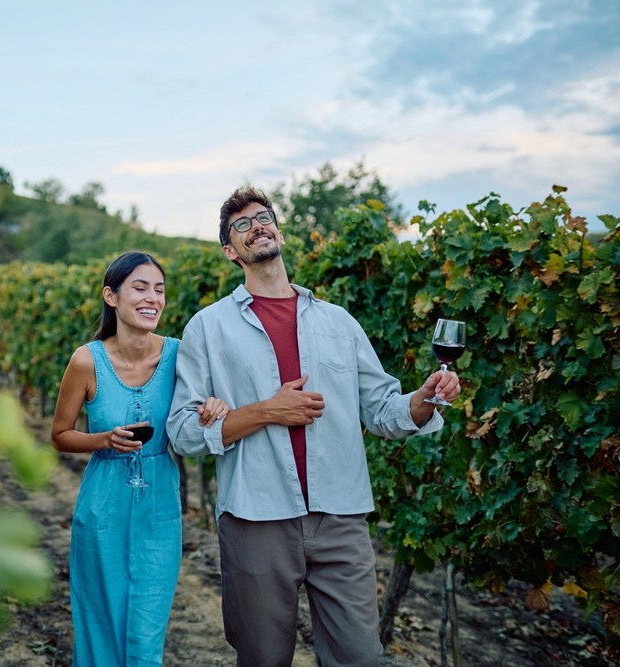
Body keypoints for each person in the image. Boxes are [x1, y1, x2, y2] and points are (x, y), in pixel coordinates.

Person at [165, 187, 462, 667]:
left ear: (278, 230)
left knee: (361, 658)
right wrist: (267, 410)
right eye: (241, 224)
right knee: (263, 659)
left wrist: (424, 398)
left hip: (341, 516)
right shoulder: (207, 328)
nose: (256, 226)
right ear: (229, 250)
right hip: (255, 518)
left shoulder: (338, 323)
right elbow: (181, 430)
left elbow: (383, 408)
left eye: (263, 217)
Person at [51, 251, 228, 666]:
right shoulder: (86, 360)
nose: (153, 297)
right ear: (111, 297)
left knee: (148, 625)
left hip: (159, 505)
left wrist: (214, 406)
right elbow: (59, 435)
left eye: (160, 289)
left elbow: (203, 405)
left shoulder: (179, 354)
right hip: (103, 504)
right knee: (100, 618)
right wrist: (102, 440)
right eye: (141, 287)